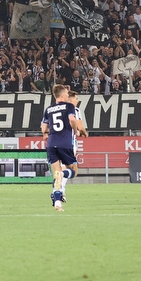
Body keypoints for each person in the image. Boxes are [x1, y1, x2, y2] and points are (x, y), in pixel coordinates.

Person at [40, 84, 83, 212]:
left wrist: (46, 134)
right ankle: (62, 174)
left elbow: (43, 128)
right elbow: (72, 120)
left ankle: (57, 202)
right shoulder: (69, 106)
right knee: (73, 172)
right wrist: (75, 130)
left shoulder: (48, 109)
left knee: (56, 175)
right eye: (66, 93)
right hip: (65, 143)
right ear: (63, 95)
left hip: (51, 144)